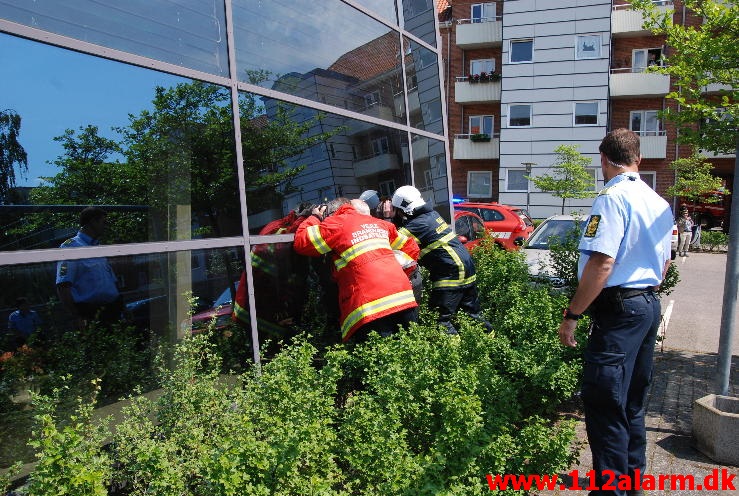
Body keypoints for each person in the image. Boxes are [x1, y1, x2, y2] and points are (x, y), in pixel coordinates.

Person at [558, 129, 673, 496]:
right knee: (632, 401)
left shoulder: (612, 197)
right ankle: (631, 483)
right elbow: (665, 263)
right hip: (646, 305)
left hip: (619, 309)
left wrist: (572, 314)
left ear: (603, 159)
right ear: (638, 159)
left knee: (605, 400)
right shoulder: (657, 201)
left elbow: (602, 263)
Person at [293, 197, 420, 342]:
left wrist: (315, 217)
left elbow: (301, 243)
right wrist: (399, 276)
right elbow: (411, 247)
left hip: (371, 306)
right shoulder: (379, 223)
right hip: (403, 297)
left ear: (330, 213)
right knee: (412, 351)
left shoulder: (335, 223)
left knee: (381, 358)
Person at [390, 185, 492, 335]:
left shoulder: (416, 225)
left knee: (439, 321)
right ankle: (491, 347)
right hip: (465, 267)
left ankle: (452, 355)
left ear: (403, 210)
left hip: (451, 272)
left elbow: (392, 244)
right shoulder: (431, 215)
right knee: (472, 315)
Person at [56, 207, 123, 329]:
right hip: (91, 314)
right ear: (92, 222)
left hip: (113, 310)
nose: (105, 226)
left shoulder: (98, 248)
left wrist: (123, 308)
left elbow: (112, 283)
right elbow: (63, 286)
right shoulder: (71, 247)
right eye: (103, 222)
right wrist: (76, 316)